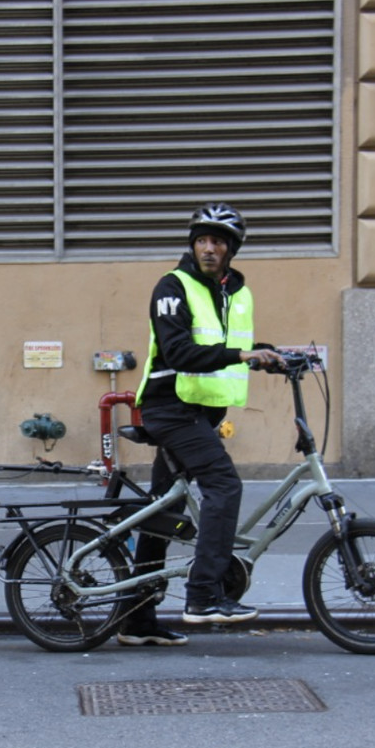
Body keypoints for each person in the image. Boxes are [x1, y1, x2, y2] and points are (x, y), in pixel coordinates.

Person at [117, 202, 283, 647]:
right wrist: (242, 356)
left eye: (218, 241)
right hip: (171, 409)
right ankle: (204, 595)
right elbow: (181, 352)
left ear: (232, 249)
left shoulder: (235, 293)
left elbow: (229, 346)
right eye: (202, 240)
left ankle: (137, 619)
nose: (209, 248)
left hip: (200, 412)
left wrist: (268, 355)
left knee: (162, 514)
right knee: (224, 486)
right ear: (193, 244)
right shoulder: (174, 286)